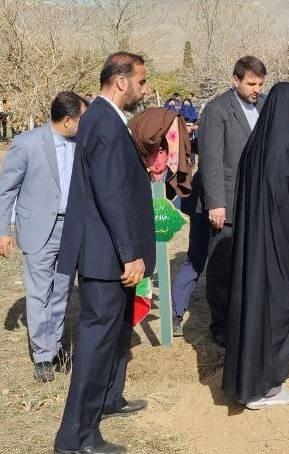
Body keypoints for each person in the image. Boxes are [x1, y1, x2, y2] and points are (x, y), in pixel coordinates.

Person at [54, 52, 154, 454]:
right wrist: (129, 252)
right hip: (107, 256)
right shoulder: (105, 124)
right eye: (142, 81)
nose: (144, 89)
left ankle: (109, 398)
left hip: (110, 251)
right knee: (96, 344)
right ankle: (75, 438)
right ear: (121, 81)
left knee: (114, 336)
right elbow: (111, 194)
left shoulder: (103, 119)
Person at [222, 82, 289, 409]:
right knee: (275, 315)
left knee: (255, 312)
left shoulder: (256, 144)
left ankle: (251, 382)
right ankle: (264, 387)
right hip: (277, 250)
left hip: (254, 249)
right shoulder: (285, 149)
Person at [0, 92, 88, 382]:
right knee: (39, 293)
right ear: (67, 120)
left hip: (71, 228)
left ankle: (56, 345)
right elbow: (7, 189)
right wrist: (3, 231)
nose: (85, 124)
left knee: (62, 289)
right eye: (81, 119)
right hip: (38, 227)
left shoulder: (80, 144)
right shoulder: (27, 143)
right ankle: (42, 355)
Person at [198, 56, 267, 346]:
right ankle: (221, 324)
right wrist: (216, 203)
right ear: (236, 80)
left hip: (255, 203)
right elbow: (211, 160)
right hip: (226, 202)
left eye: (260, 84)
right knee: (222, 267)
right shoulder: (217, 110)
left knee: (249, 264)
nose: (256, 89)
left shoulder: (264, 106)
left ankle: (244, 318)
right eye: (251, 83)